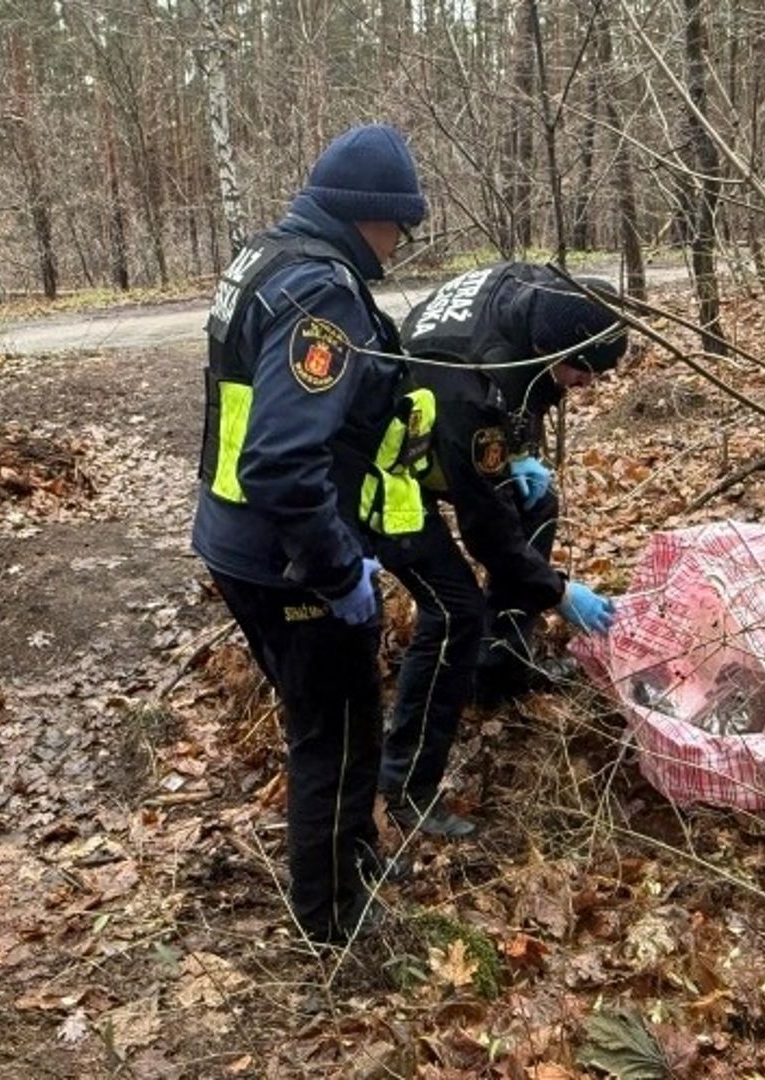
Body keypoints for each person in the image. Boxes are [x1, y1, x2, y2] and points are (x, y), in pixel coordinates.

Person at [192, 124, 432, 945]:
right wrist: (336, 572)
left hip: (240, 541)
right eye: (400, 226)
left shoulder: (264, 258)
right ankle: (334, 923)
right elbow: (283, 461)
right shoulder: (319, 294)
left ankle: (352, 859)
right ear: (369, 213)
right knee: (332, 730)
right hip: (287, 557)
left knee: (337, 714)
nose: (399, 246)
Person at [375, 263, 625, 838]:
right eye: (581, 373)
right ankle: (404, 786)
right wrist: (561, 593)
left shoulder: (531, 290)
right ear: (549, 348)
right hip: (385, 475)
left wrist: (516, 454)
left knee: (537, 503)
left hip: (442, 433)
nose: (587, 386)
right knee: (453, 610)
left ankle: (502, 666)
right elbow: (487, 535)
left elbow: (521, 399)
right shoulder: (474, 387)